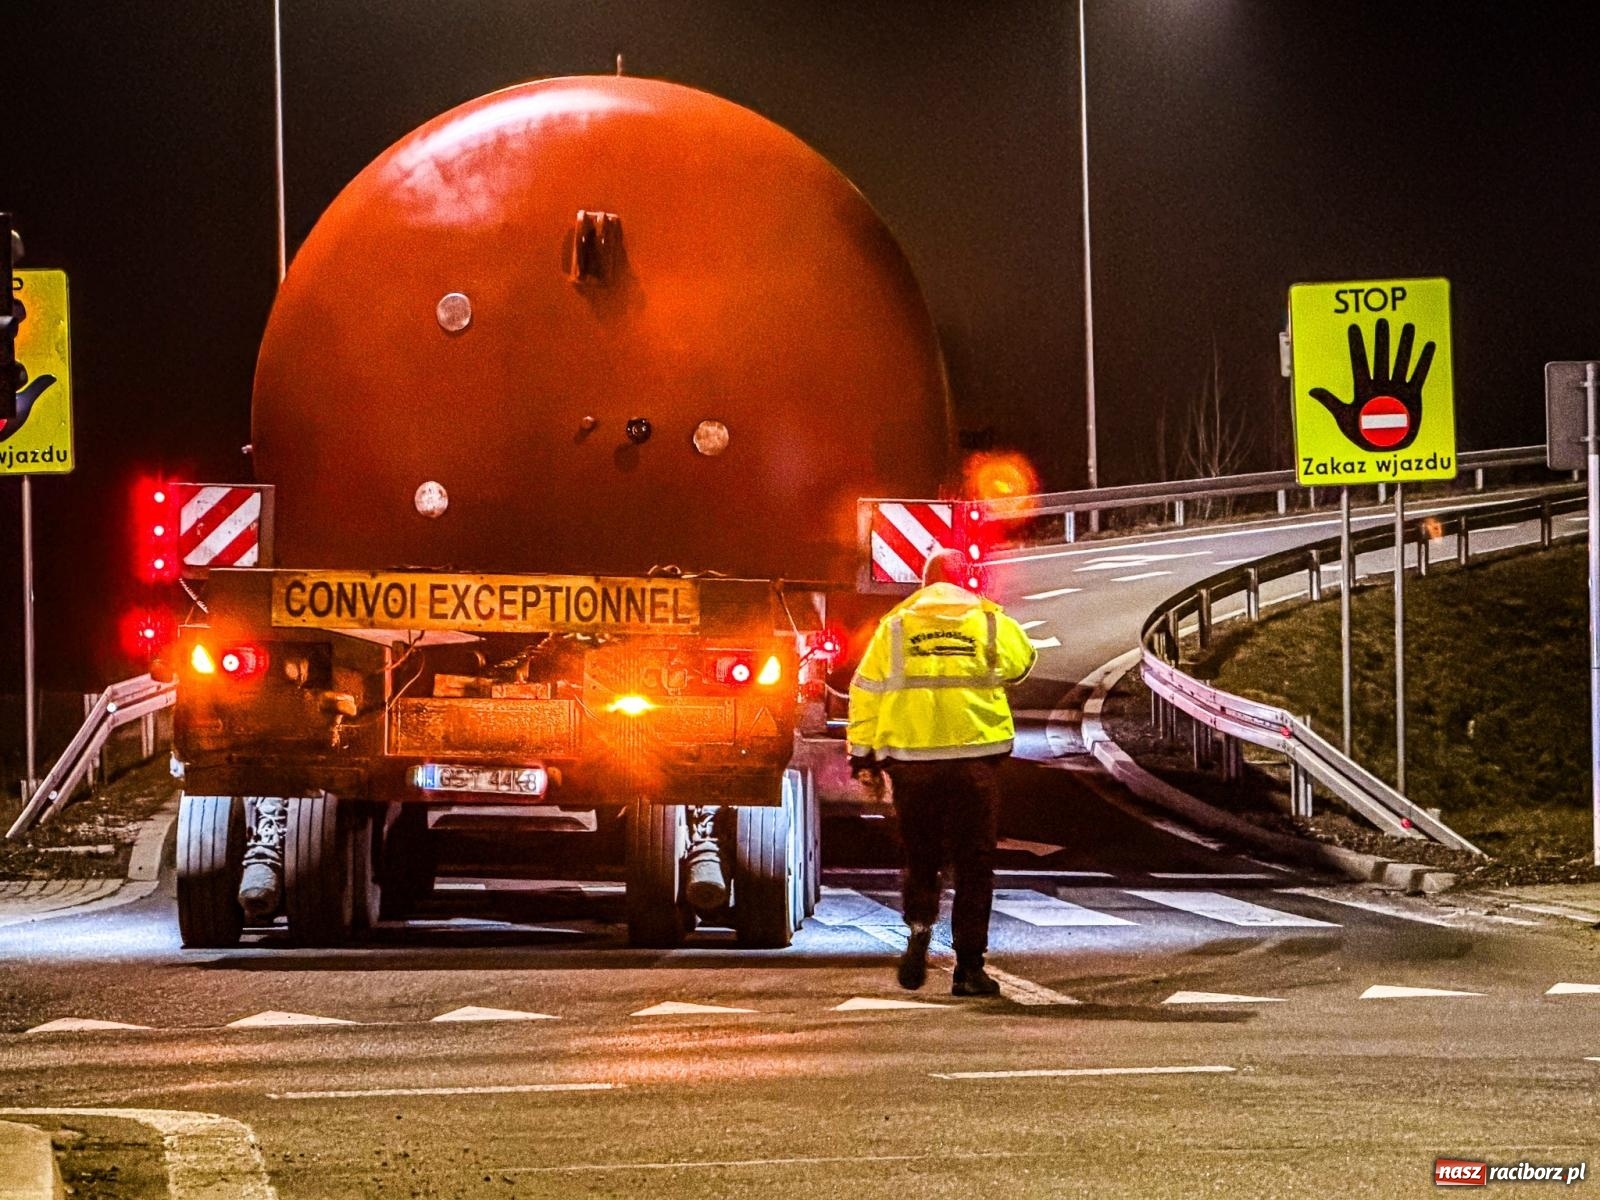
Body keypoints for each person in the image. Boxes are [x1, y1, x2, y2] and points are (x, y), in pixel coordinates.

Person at [847, 547, 1038, 996]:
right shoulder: (989, 622)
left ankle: (918, 929)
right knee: (975, 864)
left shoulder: (895, 627)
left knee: (922, 859)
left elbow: (866, 691)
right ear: (966, 580)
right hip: (975, 761)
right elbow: (1024, 664)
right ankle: (969, 969)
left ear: (924, 582)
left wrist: (864, 758)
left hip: (913, 765)